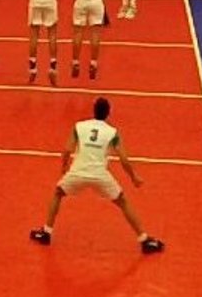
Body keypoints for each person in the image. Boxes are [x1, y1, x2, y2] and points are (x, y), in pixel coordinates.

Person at [30, 97, 164, 253]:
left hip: (78, 171)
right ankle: (144, 239)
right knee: (123, 202)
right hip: (100, 175)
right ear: (108, 113)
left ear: (93, 111)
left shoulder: (79, 126)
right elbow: (124, 159)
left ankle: (46, 232)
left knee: (58, 193)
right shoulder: (112, 132)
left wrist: (64, 167)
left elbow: (67, 150)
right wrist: (134, 177)